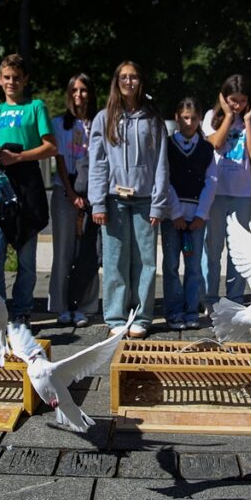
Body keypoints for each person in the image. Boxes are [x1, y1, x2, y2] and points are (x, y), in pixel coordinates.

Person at [88, 61, 169, 338]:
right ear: (116, 81)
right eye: (123, 77)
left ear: (140, 81)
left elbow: (160, 163)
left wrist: (159, 202)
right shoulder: (104, 117)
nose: (129, 82)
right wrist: (97, 202)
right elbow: (98, 162)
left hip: (145, 199)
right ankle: (115, 317)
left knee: (146, 261)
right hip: (114, 199)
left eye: (133, 77)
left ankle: (142, 317)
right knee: (115, 260)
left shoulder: (153, 119)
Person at [0, 54, 56, 326]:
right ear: (0, 80)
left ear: (25, 80)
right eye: (7, 77)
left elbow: (51, 146)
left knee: (26, 256)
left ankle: (22, 309)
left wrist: (20, 156)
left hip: (27, 182)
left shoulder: (36, 107)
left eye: (16, 77)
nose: (12, 82)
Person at [202, 74, 251, 309]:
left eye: (242, 101)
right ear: (223, 98)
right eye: (232, 100)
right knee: (213, 248)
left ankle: (235, 297)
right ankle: (210, 297)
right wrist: (227, 116)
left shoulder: (250, 121)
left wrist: (247, 120)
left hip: (242, 193)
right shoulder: (211, 116)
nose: (237, 105)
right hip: (215, 192)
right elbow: (215, 143)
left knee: (238, 249)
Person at [162, 98, 217, 330]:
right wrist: (174, 212)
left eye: (194, 118)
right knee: (171, 264)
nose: (189, 122)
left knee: (193, 266)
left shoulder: (206, 148)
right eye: (185, 117)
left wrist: (201, 214)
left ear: (200, 119)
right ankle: (174, 311)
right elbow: (163, 178)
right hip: (171, 216)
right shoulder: (166, 145)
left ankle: (191, 310)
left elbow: (211, 181)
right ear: (177, 117)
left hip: (196, 217)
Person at [49, 73, 99, 328]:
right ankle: (61, 305)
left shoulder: (98, 122)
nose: (79, 95)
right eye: (75, 91)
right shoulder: (59, 123)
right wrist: (71, 194)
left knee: (88, 252)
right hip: (64, 191)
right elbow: (57, 160)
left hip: (92, 193)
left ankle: (86, 305)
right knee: (64, 252)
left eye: (84, 90)